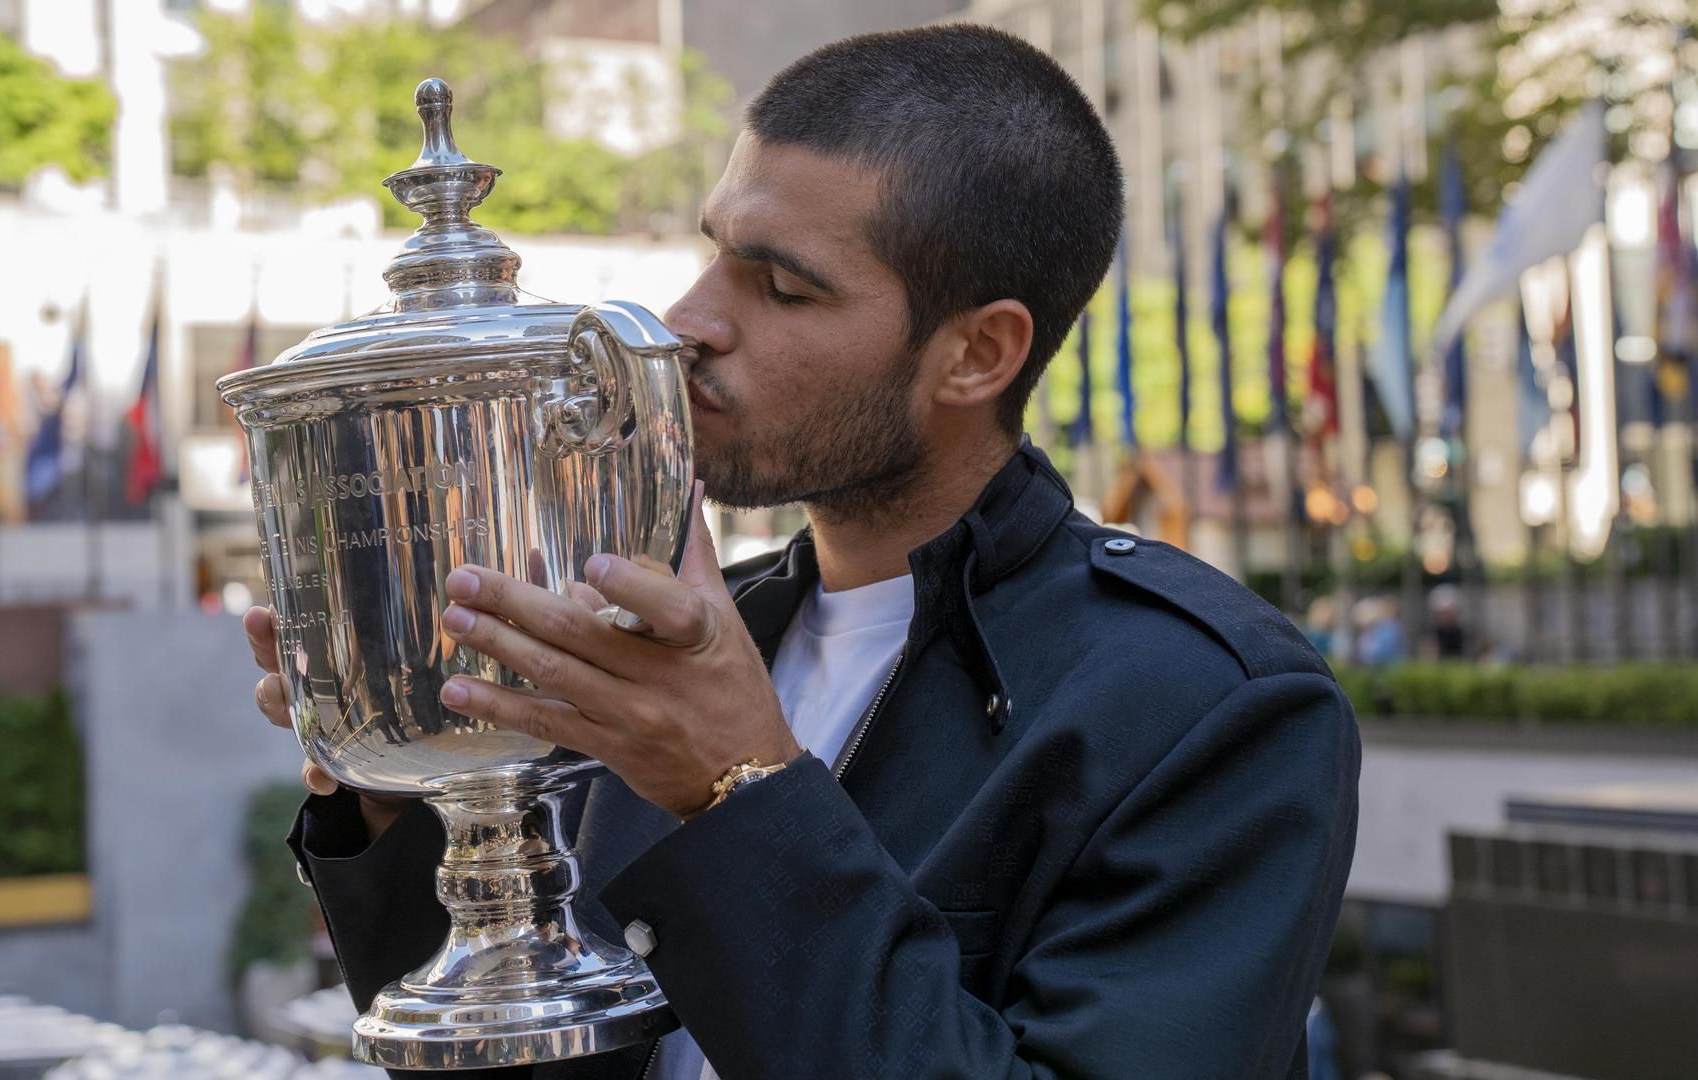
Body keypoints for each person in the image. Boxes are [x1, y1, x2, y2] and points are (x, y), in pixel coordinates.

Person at [244, 25, 1360, 1079]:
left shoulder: (1206, 705)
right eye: (714, 255)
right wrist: (397, 785)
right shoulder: (669, 644)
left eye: (781, 288)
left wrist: (737, 791)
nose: (687, 320)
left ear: (977, 353)